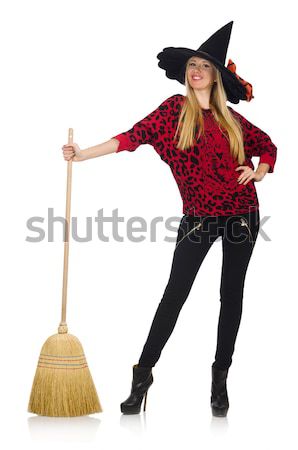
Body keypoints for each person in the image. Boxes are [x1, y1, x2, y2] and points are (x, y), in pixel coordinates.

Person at [62, 21, 277, 417]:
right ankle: (142, 376)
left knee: (232, 296)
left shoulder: (232, 120)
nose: (196, 70)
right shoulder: (173, 112)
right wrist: (82, 153)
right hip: (199, 218)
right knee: (174, 295)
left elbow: (268, 146)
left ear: (216, 76)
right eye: (193, 64)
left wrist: (259, 171)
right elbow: (131, 137)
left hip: (243, 215)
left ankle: (220, 378)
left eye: (205, 66)